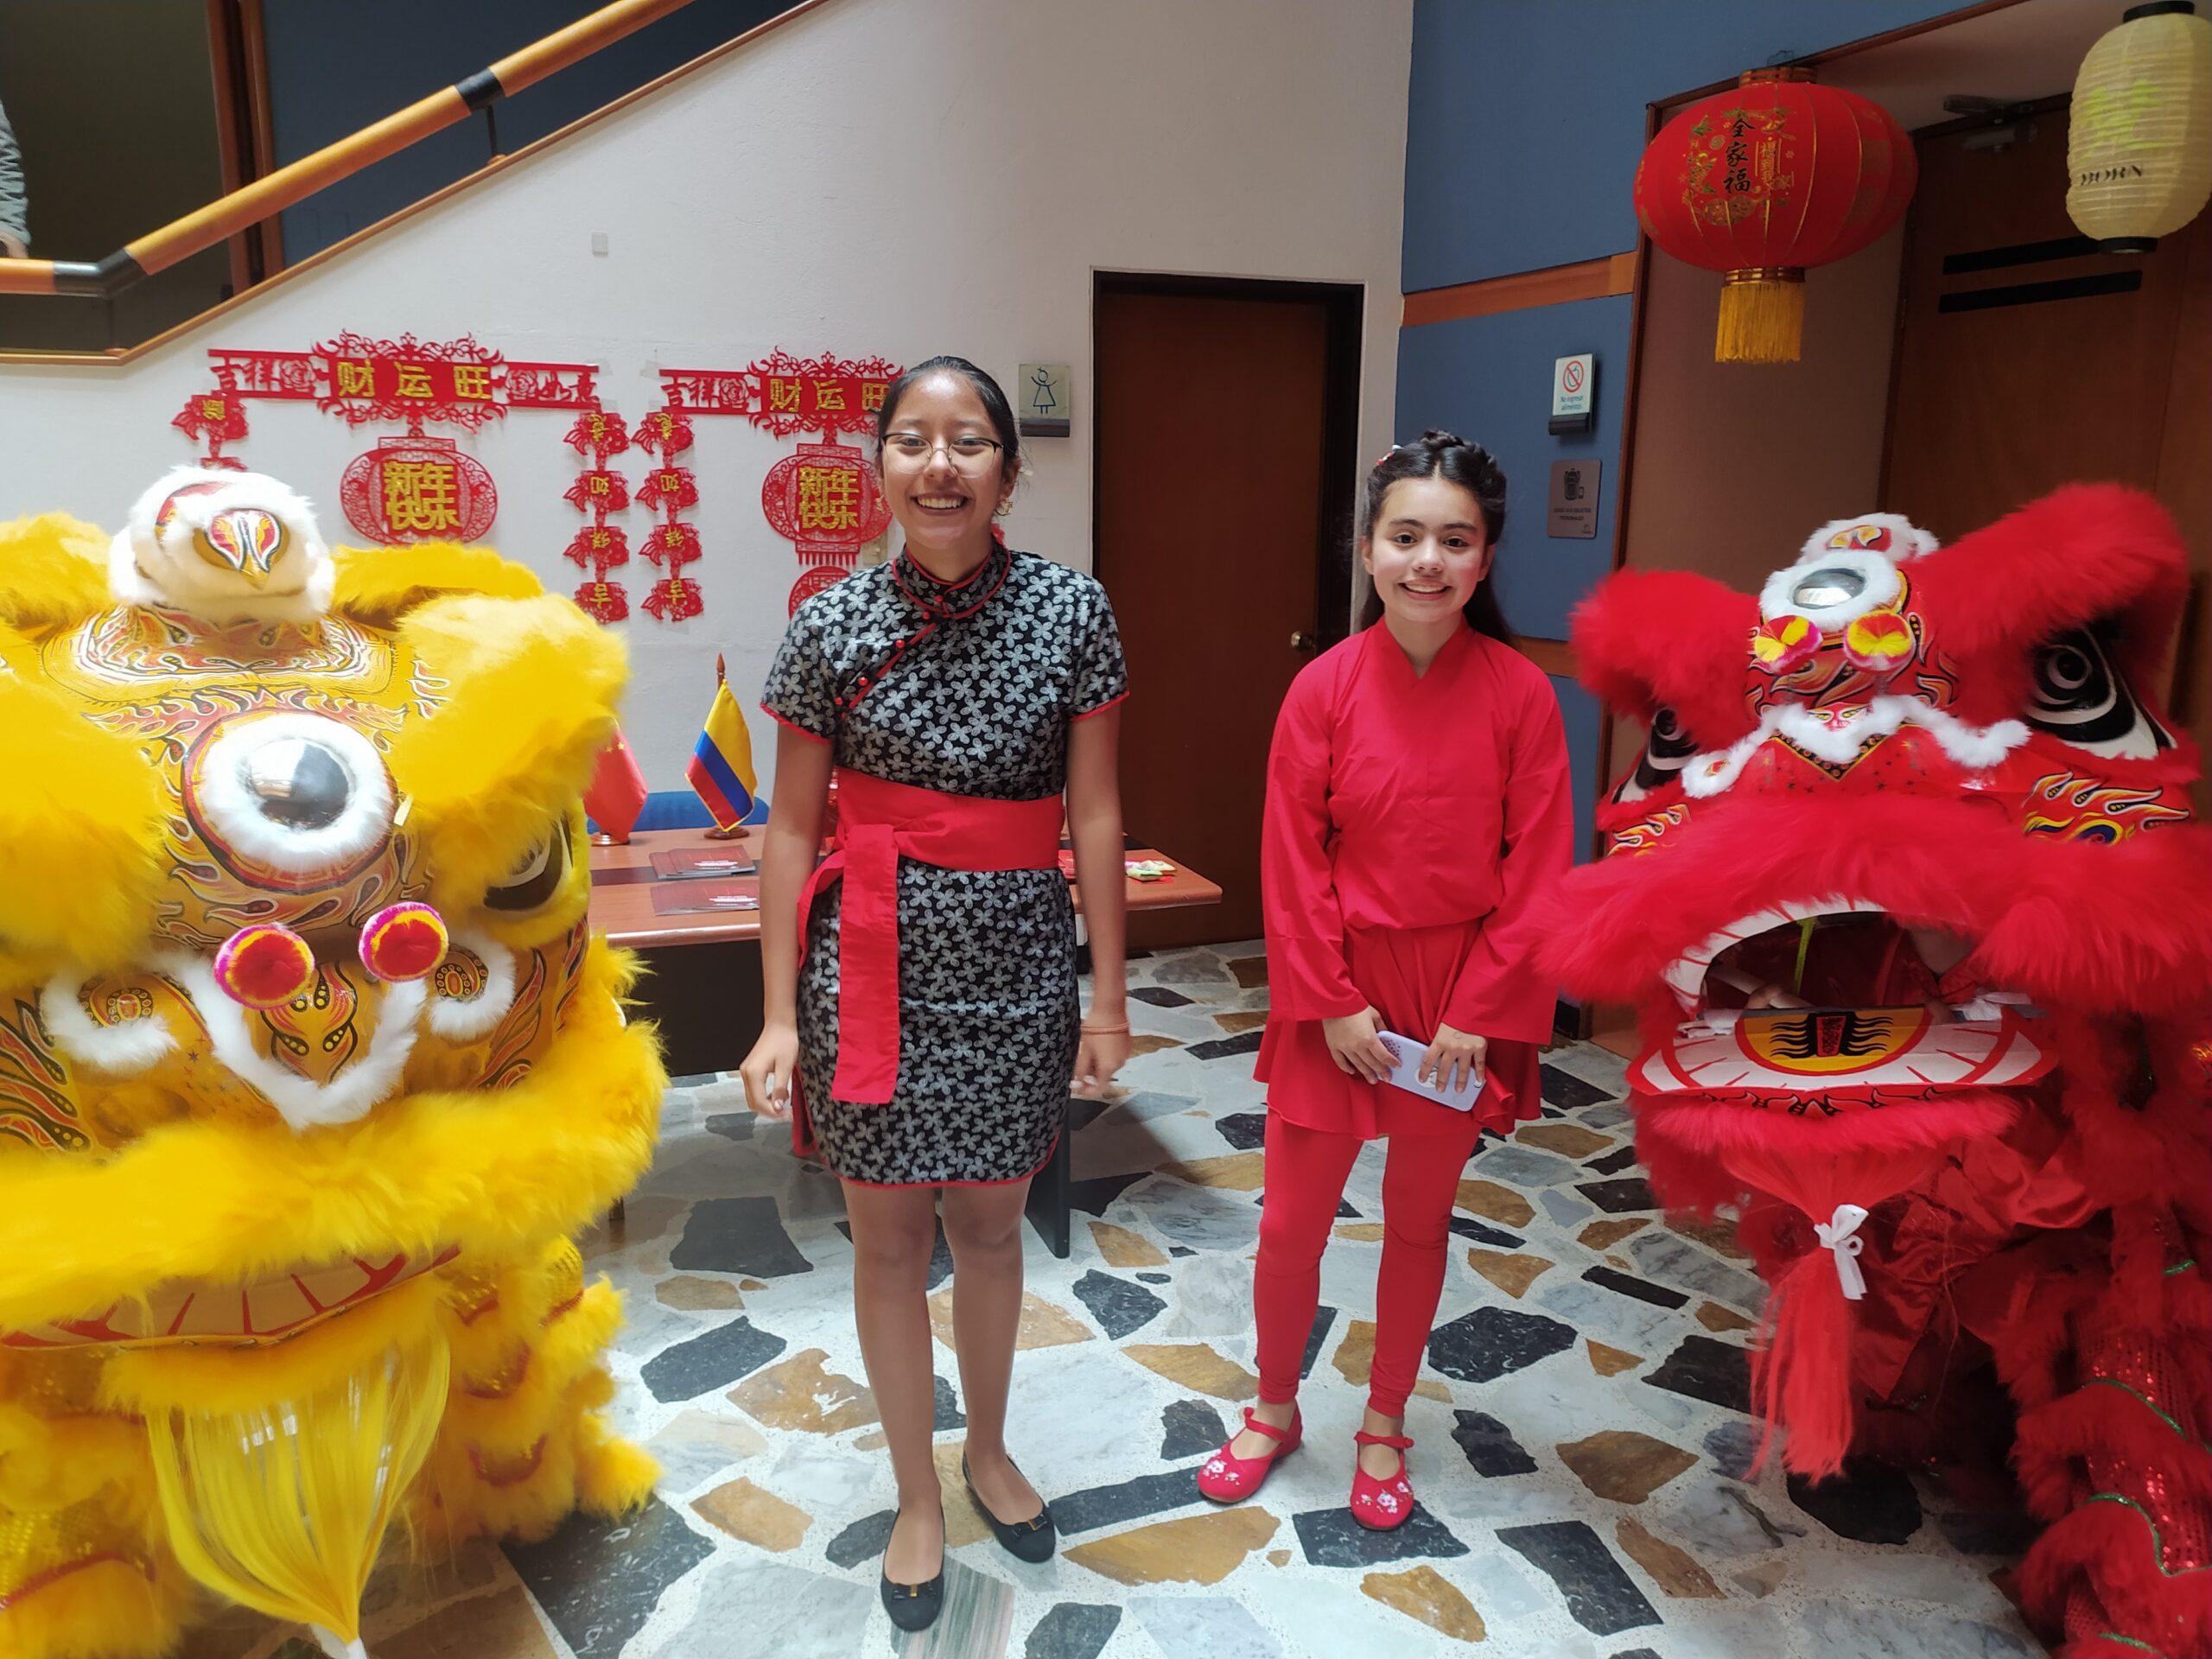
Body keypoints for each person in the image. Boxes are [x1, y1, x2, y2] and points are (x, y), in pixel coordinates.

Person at [740, 356, 1131, 1631]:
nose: (940, 464)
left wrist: (1109, 998)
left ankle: (991, 1452)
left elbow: (1096, 812)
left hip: (1018, 964)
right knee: (889, 1242)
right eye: (912, 439)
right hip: (869, 968)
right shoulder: (831, 625)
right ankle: (917, 1492)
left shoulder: (1071, 611)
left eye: (969, 441)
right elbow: (790, 829)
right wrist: (779, 1016)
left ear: (1008, 471)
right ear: (881, 468)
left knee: (993, 1228)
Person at [1198, 431, 1573, 1527]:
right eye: (1405, 537)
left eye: (1454, 541)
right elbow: (1290, 856)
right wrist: (1329, 1001)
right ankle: (1273, 1410)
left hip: (1458, 998)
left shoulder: (1521, 695)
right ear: (1366, 550)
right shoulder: (1319, 689)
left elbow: (1538, 866)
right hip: (1338, 987)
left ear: (1484, 559)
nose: (1427, 561)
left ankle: (1384, 1421)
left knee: (1417, 1222)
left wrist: (1478, 1013)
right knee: (1289, 1226)